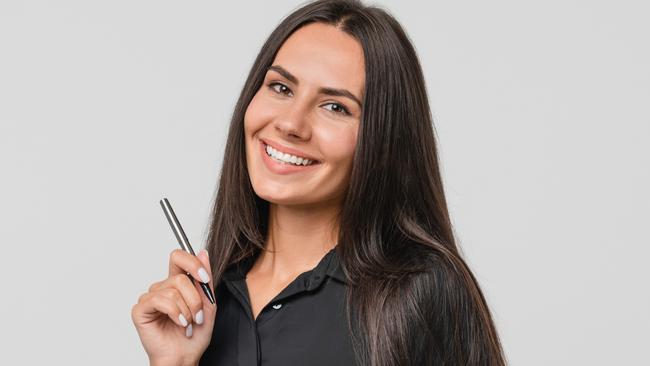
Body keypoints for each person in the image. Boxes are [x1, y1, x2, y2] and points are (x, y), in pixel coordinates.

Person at [132, 0, 507, 365]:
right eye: (281, 88)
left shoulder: (418, 293)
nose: (291, 124)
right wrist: (174, 362)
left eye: (335, 107)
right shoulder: (214, 297)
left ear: (382, 140)